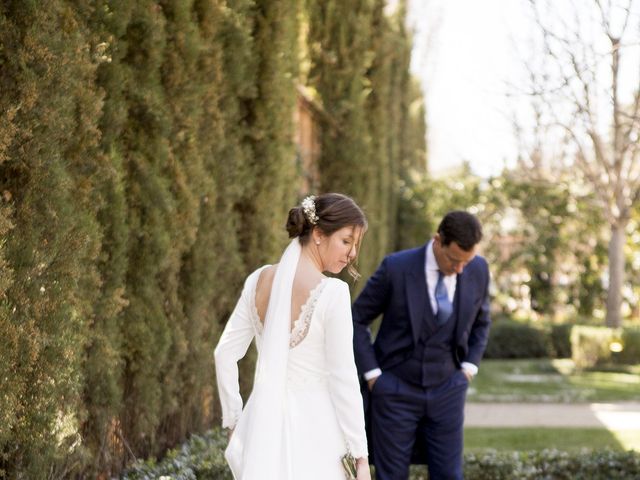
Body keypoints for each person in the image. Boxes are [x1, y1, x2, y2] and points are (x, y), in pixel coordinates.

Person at [215, 193, 371, 480]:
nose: (351, 255)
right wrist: (360, 454)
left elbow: (224, 353)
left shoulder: (257, 280)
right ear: (319, 234)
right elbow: (343, 377)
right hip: (317, 432)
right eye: (346, 241)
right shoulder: (333, 293)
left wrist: (234, 422)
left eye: (355, 245)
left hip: (260, 427)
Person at [352, 210, 491, 480]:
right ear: (437, 240)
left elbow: (482, 322)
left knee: (450, 475)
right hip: (394, 391)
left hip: (449, 389)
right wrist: (373, 376)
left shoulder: (478, 269)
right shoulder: (396, 268)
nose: (460, 269)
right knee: (390, 476)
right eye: (454, 260)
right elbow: (357, 319)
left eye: (466, 261)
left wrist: (469, 369)